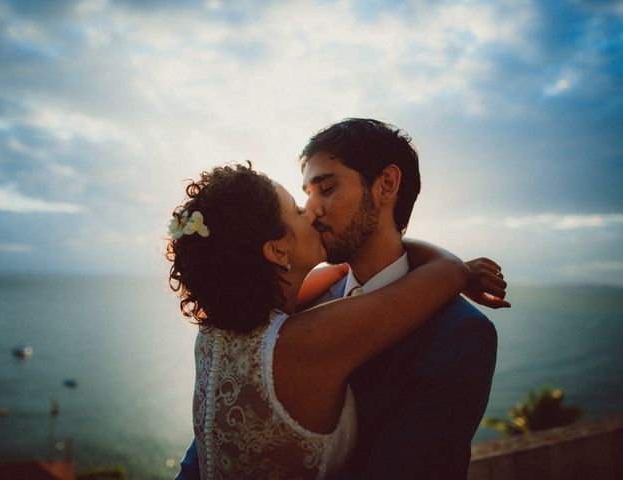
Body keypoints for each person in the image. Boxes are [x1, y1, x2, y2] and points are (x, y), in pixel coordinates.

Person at [175, 119, 508, 479]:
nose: (313, 210)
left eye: (327, 188)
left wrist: (444, 269)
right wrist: (451, 268)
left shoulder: (460, 335)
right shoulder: (293, 313)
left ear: (387, 185)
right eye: (305, 198)